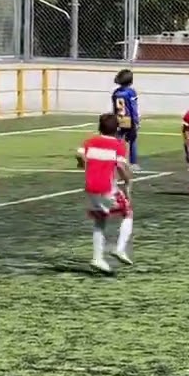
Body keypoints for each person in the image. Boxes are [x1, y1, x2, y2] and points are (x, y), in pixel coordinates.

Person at [77, 112, 134, 273]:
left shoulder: (89, 142)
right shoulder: (118, 145)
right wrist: (128, 181)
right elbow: (121, 166)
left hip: (90, 187)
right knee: (128, 213)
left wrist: (82, 163)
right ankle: (120, 249)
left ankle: (97, 258)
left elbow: (79, 154)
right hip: (106, 188)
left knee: (99, 220)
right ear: (116, 128)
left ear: (99, 127)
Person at [111, 69, 141, 170]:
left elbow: (114, 107)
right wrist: (136, 120)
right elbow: (133, 107)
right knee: (132, 140)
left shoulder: (116, 92)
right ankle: (133, 162)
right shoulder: (131, 92)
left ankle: (117, 159)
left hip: (119, 118)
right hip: (129, 119)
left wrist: (114, 118)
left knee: (118, 140)